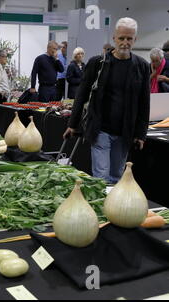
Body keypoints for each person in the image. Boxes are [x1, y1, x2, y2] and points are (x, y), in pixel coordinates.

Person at [63, 17, 150, 185]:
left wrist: (141, 134)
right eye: (121, 38)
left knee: (117, 175)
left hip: (124, 131)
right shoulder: (97, 63)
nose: (125, 42)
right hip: (100, 129)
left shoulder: (142, 66)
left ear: (135, 39)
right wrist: (73, 124)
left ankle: (112, 210)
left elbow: (144, 102)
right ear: (114, 38)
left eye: (129, 38)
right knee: (101, 177)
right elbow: (81, 94)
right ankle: (101, 207)